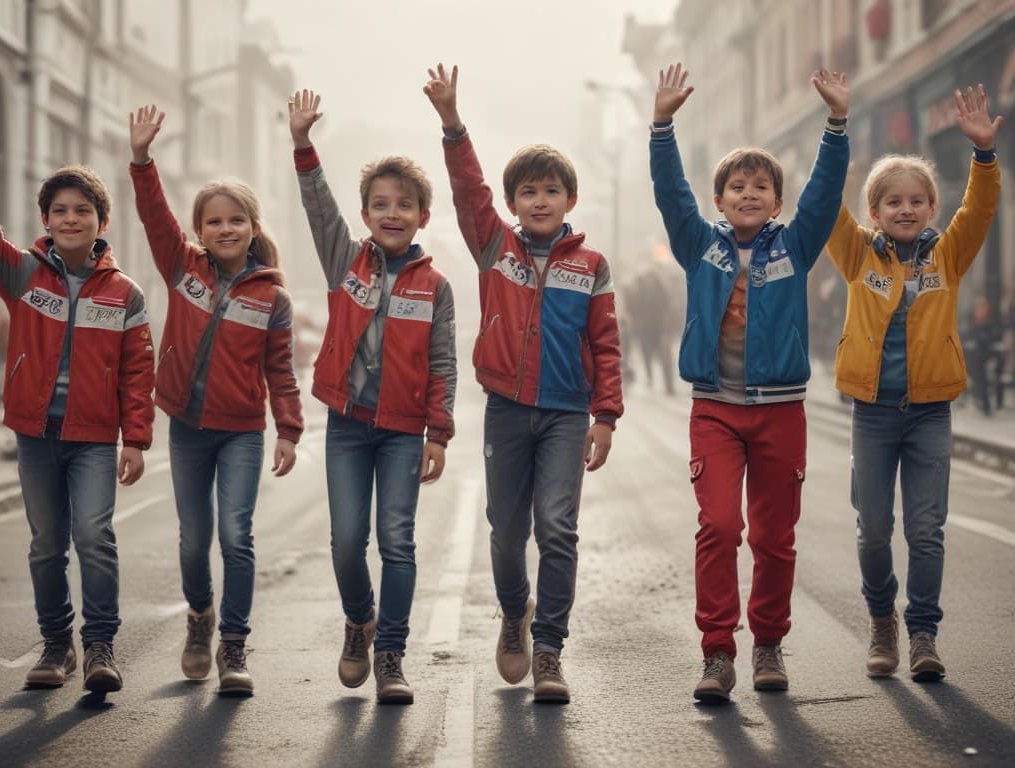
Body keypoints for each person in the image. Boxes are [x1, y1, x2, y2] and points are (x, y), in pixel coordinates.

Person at [650, 62, 850, 703]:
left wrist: (837, 124)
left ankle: (767, 642)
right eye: (737, 186)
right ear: (719, 200)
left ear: (776, 201)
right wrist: (662, 126)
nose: (748, 194)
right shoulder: (696, 244)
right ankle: (717, 654)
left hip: (780, 413)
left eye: (761, 186)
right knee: (718, 526)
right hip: (714, 411)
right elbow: (670, 193)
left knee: (772, 537)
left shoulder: (794, 245)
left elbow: (823, 194)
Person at [424, 64, 624, 704]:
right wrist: (453, 123)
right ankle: (515, 610)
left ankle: (548, 649)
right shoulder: (493, 247)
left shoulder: (591, 266)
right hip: (507, 412)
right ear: (513, 205)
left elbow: (605, 344)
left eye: (552, 191)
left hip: (566, 416)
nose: (541, 201)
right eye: (529, 192)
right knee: (507, 533)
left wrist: (606, 416)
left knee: (558, 529)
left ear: (570, 200)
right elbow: (468, 191)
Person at [825, 84, 1002, 683]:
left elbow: (979, 212)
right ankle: (882, 621)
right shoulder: (856, 256)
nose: (905, 209)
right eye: (892, 201)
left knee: (927, 529)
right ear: (874, 212)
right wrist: (836, 126)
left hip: (930, 414)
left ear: (931, 208)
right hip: (872, 413)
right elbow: (826, 204)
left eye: (917, 200)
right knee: (873, 527)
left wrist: (982, 154)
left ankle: (923, 633)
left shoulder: (946, 257)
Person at [288, 89, 457, 705]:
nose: (392, 213)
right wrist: (304, 145)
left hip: (404, 431)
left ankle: (391, 654)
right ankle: (359, 620)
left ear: (421, 216)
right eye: (380, 204)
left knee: (398, 541)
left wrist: (438, 432)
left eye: (404, 205)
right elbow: (318, 208)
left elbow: (443, 364)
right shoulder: (345, 261)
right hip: (348, 424)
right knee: (345, 539)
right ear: (366, 215)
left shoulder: (435, 286)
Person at [129, 105, 304, 697]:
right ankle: (199, 617)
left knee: (237, 534)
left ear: (253, 227)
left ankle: (233, 643)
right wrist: (141, 160)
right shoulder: (183, 270)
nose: (224, 229)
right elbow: (154, 219)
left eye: (236, 220)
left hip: (240, 432)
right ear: (199, 231)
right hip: (186, 426)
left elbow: (281, 370)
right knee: (192, 536)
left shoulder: (272, 298)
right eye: (213, 222)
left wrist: (289, 429)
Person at [0, 166, 155, 693]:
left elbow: (137, 370)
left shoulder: (124, 293)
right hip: (36, 435)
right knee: (45, 545)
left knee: (92, 535)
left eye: (82, 210)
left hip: (93, 438)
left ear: (101, 221)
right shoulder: (22, 273)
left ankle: (100, 646)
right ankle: (57, 644)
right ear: (45, 219)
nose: (70, 218)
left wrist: (137, 438)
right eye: (59, 210)